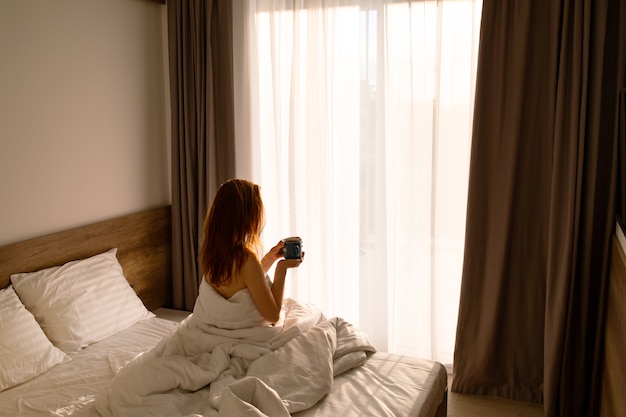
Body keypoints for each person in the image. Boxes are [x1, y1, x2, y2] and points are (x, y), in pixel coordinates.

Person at [196, 179, 304, 326]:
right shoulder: (245, 259)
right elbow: (272, 316)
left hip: (220, 328)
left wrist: (271, 257)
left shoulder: (212, 252)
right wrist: (281, 269)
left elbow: (243, 282)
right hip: (244, 334)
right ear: (247, 217)